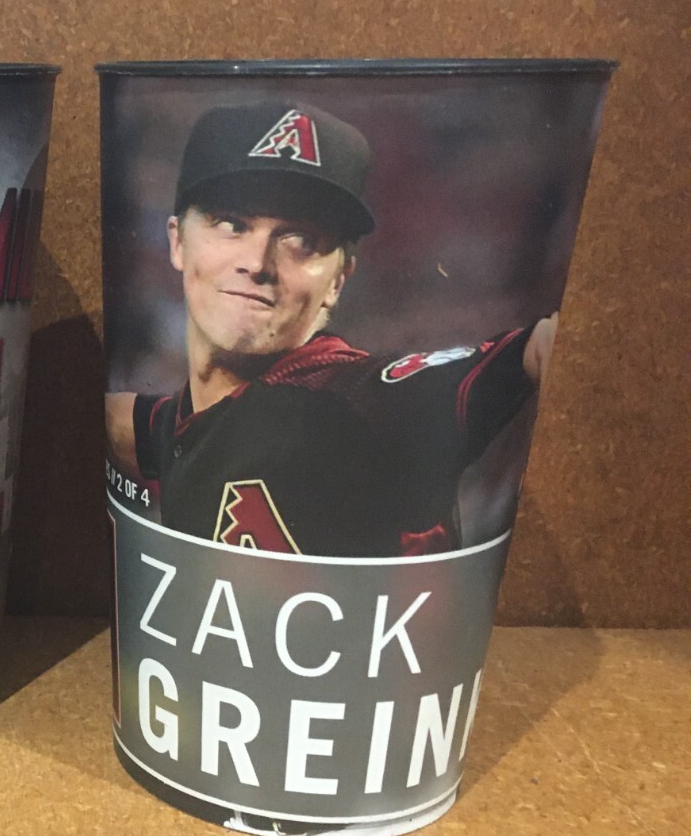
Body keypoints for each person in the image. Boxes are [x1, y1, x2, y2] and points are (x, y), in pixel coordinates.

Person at [105, 100, 556, 558]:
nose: (257, 263)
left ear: (338, 280)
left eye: (300, 240)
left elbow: (532, 351)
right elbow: (159, 429)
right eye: (232, 224)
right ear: (178, 242)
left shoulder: (348, 398)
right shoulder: (189, 423)